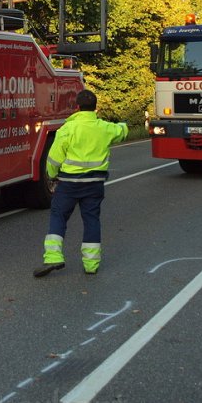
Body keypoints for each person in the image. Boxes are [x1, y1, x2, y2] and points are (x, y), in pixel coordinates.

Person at [33, 89, 128, 277]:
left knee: (58, 216)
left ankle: (53, 257)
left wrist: (52, 175)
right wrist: (124, 124)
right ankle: (91, 264)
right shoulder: (104, 128)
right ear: (96, 108)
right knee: (91, 219)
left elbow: (53, 158)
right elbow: (122, 131)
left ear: (76, 108)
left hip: (68, 183)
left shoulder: (67, 129)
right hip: (94, 184)